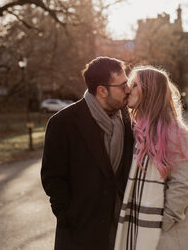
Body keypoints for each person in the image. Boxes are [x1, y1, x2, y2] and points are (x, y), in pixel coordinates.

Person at [41, 56, 134, 250]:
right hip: (80, 234)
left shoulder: (129, 120)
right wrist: (68, 215)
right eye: (123, 85)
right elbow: (52, 177)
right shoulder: (63, 122)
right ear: (102, 90)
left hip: (122, 232)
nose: (128, 90)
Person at [114, 66, 188, 250]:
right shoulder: (139, 130)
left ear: (150, 91)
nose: (128, 90)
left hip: (168, 232)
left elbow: (182, 184)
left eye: (134, 85)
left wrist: (162, 223)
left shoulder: (175, 132)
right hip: (144, 225)